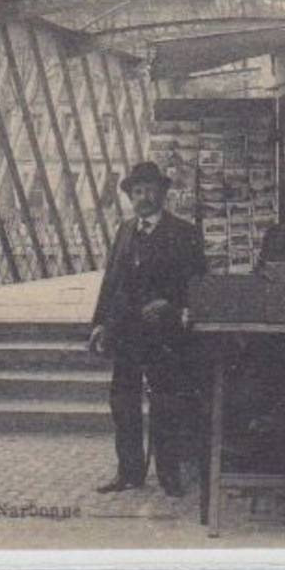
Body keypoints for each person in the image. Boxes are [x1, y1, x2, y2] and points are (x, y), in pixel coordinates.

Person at [88, 161, 205, 497]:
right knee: (123, 404)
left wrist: (171, 304)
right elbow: (110, 282)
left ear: (162, 193)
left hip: (163, 335)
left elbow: (197, 284)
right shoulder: (125, 231)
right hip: (125, 333)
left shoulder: (183, 233)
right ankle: (129, 472)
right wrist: (99, 324)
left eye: (150, 189)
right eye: (137, 191)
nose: (143, 197)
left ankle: (169, 475)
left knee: (166, 404)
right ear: (130, 196)